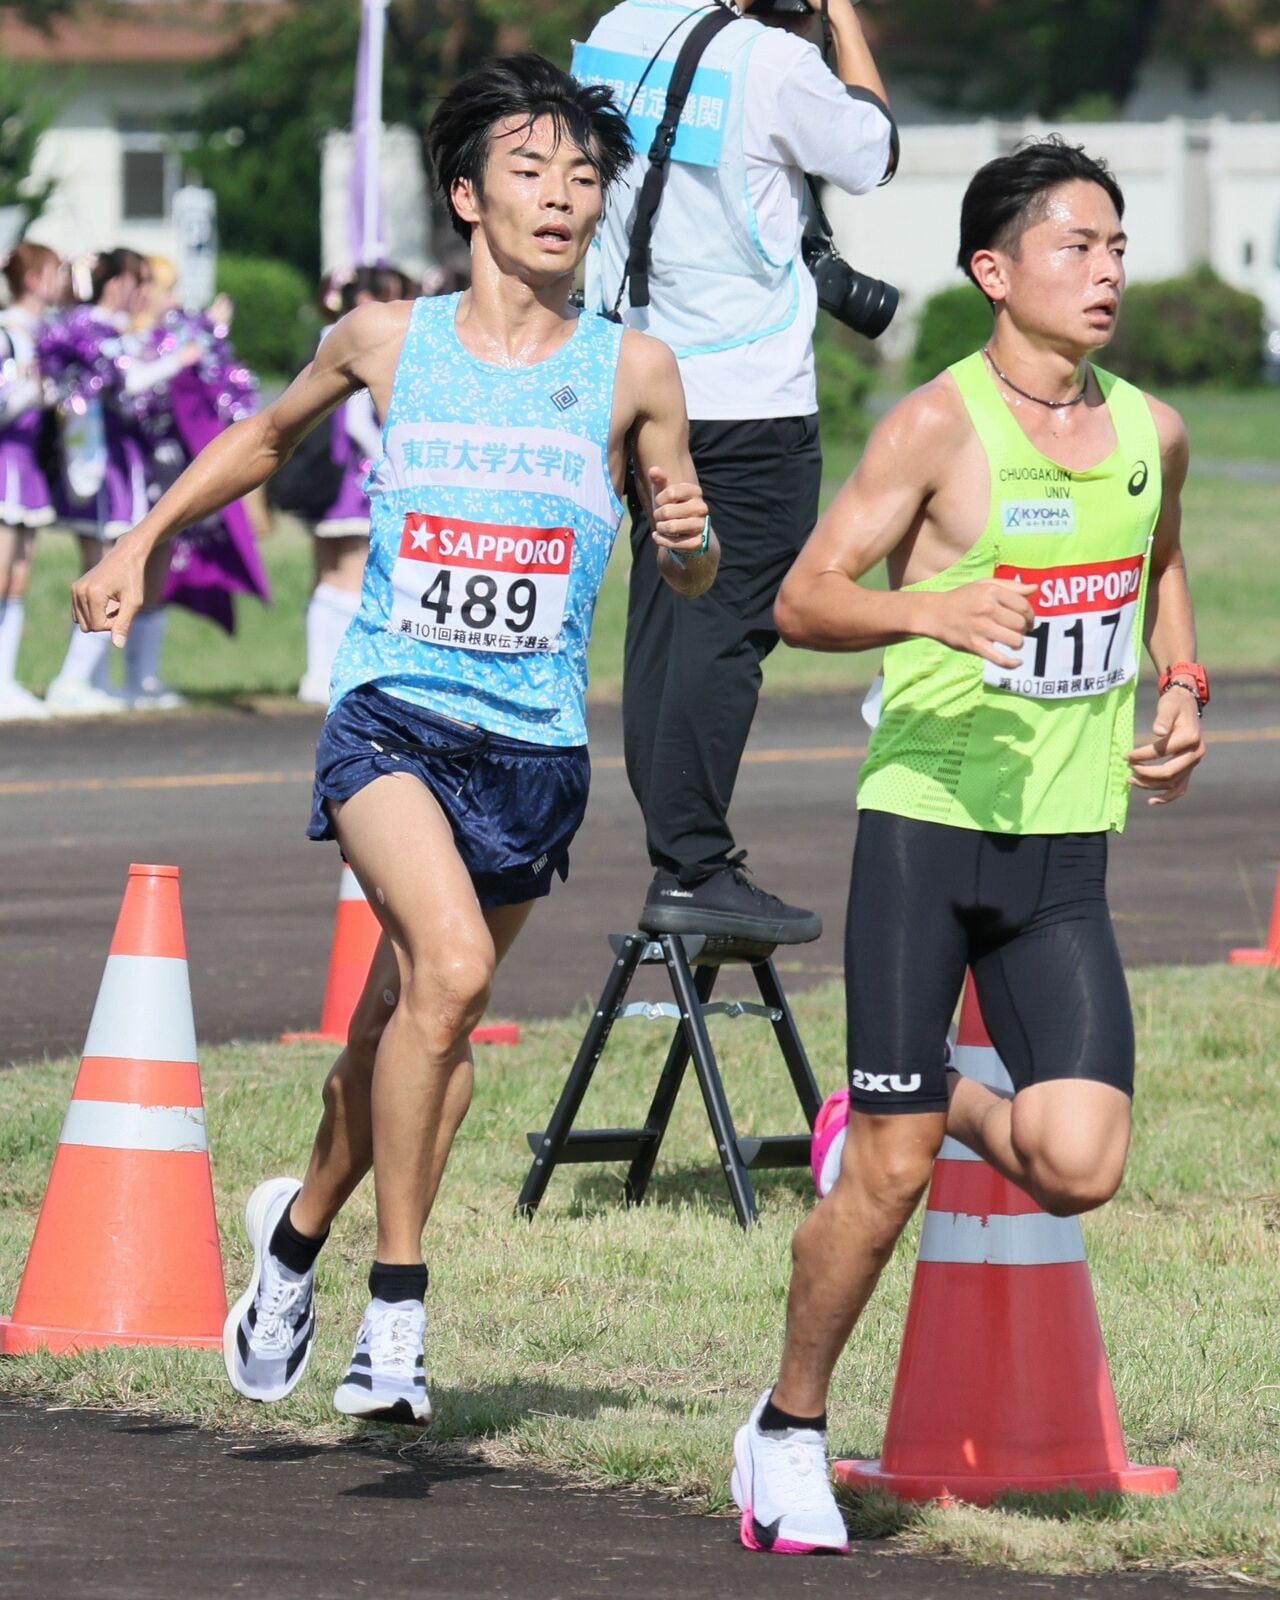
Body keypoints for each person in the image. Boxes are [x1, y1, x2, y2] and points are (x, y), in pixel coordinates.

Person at [72, 53, 719, 1425]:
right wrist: (142, 537)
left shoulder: (635, 370)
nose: (561, 195)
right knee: (458, 971)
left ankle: (292, 1242)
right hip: (392, 720)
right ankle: (399, 1311)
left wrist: (691, 543)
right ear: (468, 196)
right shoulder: (389, 344)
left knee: (413, 1024)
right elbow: (260, 435)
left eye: (584, 176)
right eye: (531, 171)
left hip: (533, 754)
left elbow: (689, 560)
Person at [729, 137, 1207, 1554]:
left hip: (1066, 851)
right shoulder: (937, 428)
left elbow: (1162, 561)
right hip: (927, 834)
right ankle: (790, 1431)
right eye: (1075, 245)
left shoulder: (1150, 431)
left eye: (1116, 245)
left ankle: (914, 1096)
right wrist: (925, 611)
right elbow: (806, 598)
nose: (1106, 269)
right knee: (882, 1181)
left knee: (1081, 1157)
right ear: (995, 272)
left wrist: (1181, 689)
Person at [576, 0, 896, 942]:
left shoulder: (620, 28)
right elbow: (870, 151)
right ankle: (694, 863)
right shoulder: (772, 62)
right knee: (730, 626)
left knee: (666, 622)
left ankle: (676, 848)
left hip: (639, 374)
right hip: (748, 392)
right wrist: (838, 16)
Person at [0, 241, 63, 720]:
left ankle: (8, 677)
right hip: (5, 461)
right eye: (54, 272)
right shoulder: (7, 333)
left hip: (30, 465)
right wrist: (32, 390)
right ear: (33, 279)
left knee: (19, 576)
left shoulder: (53, 334)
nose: (61, 282)